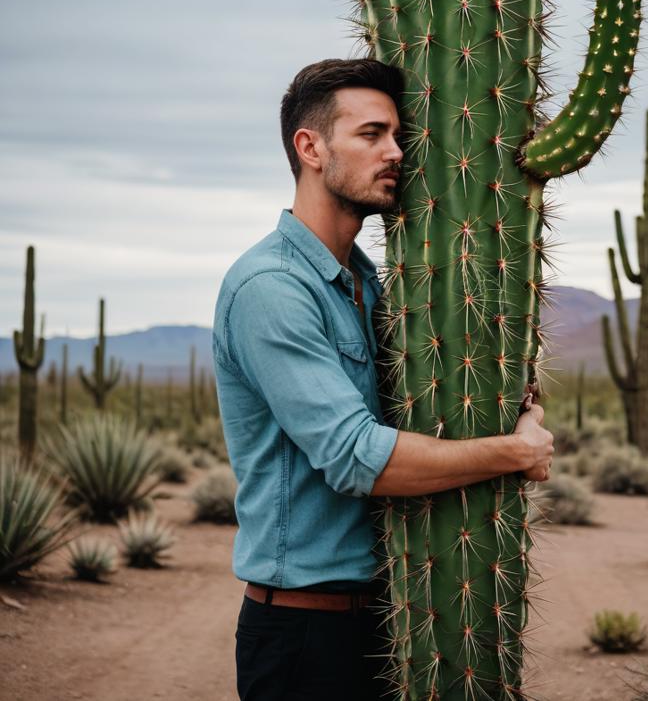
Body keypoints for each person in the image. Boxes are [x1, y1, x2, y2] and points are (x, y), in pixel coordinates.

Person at [213, 57, 555, 701]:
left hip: (395, 616)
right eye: (371, 135)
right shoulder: (271, 288)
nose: (395, 152)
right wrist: (514, 453)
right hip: (302, 636)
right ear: (310, 148)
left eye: (398, 136)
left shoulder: (369, 283)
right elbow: (353, 458)